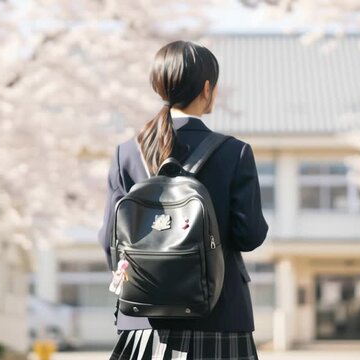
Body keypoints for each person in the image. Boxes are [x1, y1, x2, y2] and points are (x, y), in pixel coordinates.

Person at [98, 40, 269, 360]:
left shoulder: (127, 153)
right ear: (208, 88)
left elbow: (110, 241)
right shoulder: (235, 152)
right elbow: (250, 236)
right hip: (220, 316)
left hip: (144, 321)